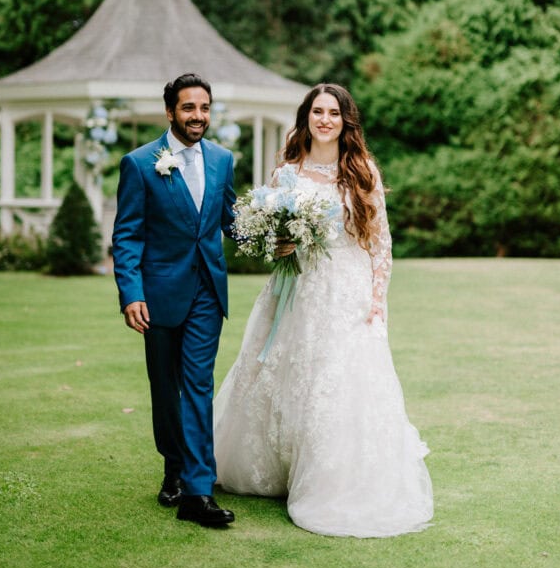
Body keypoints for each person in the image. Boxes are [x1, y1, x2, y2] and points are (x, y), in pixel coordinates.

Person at [214, 83, 433, 537]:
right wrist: (282, 243)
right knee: (286, 373)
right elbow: (274, 248)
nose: (325, 120)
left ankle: (333, 478)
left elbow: (380, 242)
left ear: (345, 120)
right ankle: (278, 469)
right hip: (296, 289)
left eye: (334, 113)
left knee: (335, 383)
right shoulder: (286, 174)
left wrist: (377, 300)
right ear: (307, 117)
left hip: (345, 293)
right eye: (318, 111)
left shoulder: (362, 170)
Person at [112, 72, 237, 528]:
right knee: (166, 390)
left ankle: (197, 492)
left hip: (207, 291)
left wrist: (276, 234)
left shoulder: (223, 160)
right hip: (159, 295)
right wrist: (131, 293)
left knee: (198, 386)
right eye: (189, 108)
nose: (198, 116)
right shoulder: (141, 163)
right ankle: (174, 468)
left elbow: (231, 221)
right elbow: (126, 235)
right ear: (171, 112)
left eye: (204, 108)